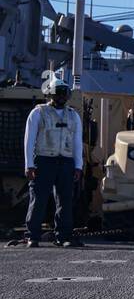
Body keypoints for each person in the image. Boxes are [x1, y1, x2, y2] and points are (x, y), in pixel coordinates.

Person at [23, 78, 83, 248]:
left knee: (65, 200)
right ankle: (32, 236)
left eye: (65, 94)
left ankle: (63, 236)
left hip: (66, 162)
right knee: (38, 199)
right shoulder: (38, 113)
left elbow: (77, 142)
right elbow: (29, 140)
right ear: (50, 94)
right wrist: (29, 165)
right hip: (43, 160)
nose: (62, 97)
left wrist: (78, 166)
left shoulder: (73, 116)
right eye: (59, 93)